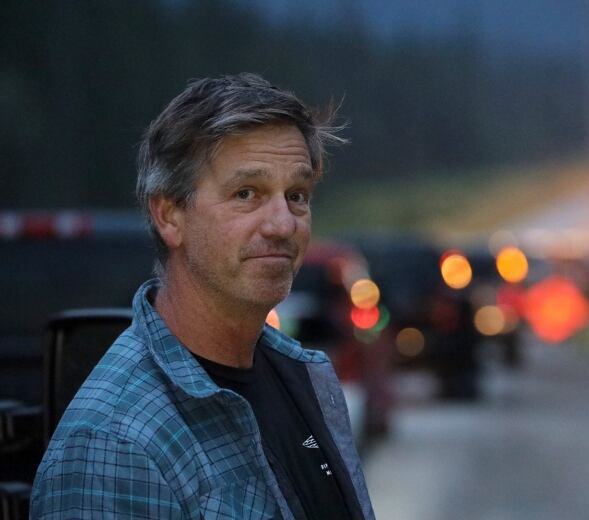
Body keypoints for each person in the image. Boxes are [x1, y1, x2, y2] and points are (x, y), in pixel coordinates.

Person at [31, 73, 375, 520]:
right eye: (246, 193)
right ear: (169, 215)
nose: (282, 224)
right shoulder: (116, 443)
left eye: (297, 195)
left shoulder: (304, 376)